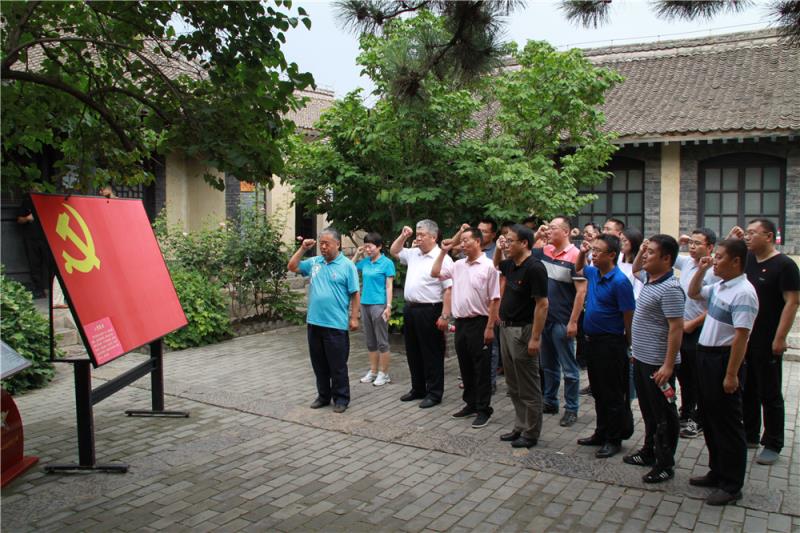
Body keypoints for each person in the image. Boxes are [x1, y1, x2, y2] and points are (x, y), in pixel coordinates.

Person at [687, 238, 758, 506]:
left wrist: (731, 374)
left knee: (728, 424)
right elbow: (694, 293)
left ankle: (731, 485)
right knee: (710, 417)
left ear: (736, 261)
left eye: (719, 257)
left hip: (723, 359)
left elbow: (741, 337)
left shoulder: (744, 293)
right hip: (705, 357)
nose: (714, 260)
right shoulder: (720, 286)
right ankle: (716, 471)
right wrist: (702, 270)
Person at [735, 219, 799, 465]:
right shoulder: (748, 260)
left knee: (769, 391)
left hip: (768, 338)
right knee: (748, 386)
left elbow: (792, 302)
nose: (747, 237)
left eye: (753, 233)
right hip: (746, 336)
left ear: (769, 236)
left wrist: (780, 337)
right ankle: (750, 434)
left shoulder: (784, 265)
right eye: (746, 233)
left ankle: (773, 442)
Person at [624, 235, 684, 483]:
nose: (645, 256)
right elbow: (636, 268)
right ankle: (649, 452)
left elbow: (676, 328)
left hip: (659, 365)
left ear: (667, 259)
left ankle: (665, 463)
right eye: (646, 252)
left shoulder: (671, 289)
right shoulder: (650, 279)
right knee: (648, 411)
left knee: (664, 415)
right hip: (642, 359)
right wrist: (643, 249)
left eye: (651, 253)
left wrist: (668, 365)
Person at [432, 226, 500, 428]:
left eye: (466, 240)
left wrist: (490, 327)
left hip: (480, 322)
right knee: (466, 365)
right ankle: (470, 404)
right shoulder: (458, 265)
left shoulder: (489, 266)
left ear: (478, 241)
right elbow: (435, 272)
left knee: (482, 368)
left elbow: (495, 299)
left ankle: (484, 409)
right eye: (461, 241)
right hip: (461, 323)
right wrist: (443, 252)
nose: (462, 244)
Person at [574, 234, 635, 458]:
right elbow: (578, 268)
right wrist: (582, 252)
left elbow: (628, 315)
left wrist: (629, 345)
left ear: (612, 255)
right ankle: (601, 432)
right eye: (593, 250)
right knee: (598, 391)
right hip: (592, 342)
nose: (594, 254)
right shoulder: (594, 273)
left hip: (611, 344)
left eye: (598, 251)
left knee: (613, 393)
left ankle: (614, 438)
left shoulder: (620, 281)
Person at [288, 228, 360, 413]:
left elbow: (355, 293)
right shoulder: (315, 262)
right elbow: (292, 266)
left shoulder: (347, 265)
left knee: (337, 365)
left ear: (338, 244)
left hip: (335, 324)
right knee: (318, 364)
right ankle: (323, 396)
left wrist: (354, 317)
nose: (323, 247)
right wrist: (303, 249)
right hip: (314, 322)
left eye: (327, 243)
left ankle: (341, 398)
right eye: (321, 244)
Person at [493, 225, 549, 447]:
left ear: (524, 243)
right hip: (506, 329)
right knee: (513, 384)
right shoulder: (511, 264)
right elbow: (497, 264)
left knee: (528, 385)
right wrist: (499, 248)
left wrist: (535, 337)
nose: (506, 244)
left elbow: (542, 305)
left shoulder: (535, 268)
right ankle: (520, 425)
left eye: (510, 241)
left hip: (523, 330)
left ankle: (531, 432)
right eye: (505, 241)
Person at [390, 220, 453, 408]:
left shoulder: (442, 258)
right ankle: (418, 388)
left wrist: (445, 316)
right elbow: (394, 251)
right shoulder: (414, 253)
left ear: (433, 237)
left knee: (432, 352)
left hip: (430, 309)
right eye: (417, 234)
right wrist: (403, 236)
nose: (418, 238)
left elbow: (448, 290)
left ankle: (434, 393)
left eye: (422, 235)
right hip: (411, 309)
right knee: (413, 351)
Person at [532, 217, 586, 428]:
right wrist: (537, 235)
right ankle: (550, 401)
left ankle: (571, 408)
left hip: (563, 320)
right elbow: (524, 252)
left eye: (553, 228)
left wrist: (573, 322)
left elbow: (581, 292)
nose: (549, 231)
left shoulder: (576, 256)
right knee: (548, 365)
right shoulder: (545, 251)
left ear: (566, 232)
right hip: (545, 318)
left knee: (569, 368)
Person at [666, 228, 719, 439]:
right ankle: (686, 412)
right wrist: (679, 242)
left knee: (699, 377)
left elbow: (715, 305)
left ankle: (700, 419)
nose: (693, 247)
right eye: (692, 243)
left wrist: (694, 323)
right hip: (682, 328)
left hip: (699, 330)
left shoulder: (715, 272)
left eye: (698, 243)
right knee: (684, 375)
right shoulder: (687, 262)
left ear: (710, 247)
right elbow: (668, 255)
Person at [353, 232, 396, 387]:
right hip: (365, 304)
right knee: (370, 341)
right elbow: (349, 268)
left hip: (379, 305)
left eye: (370, 246)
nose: (367, 249)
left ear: (379, 247)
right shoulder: (365, 262)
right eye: (366, 246)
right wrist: (357, 255)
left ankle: (384, 374)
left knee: (382, 341)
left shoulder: (387, 263)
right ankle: (373, 371)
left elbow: (389, 286)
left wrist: (388, 306)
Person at [16, 193, 50, 298]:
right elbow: (19, 219)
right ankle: (39, 289)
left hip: (47, 238)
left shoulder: (47, 201)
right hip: (31, 238)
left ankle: (52, 290)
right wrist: (28, 218)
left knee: (50, 264)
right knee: (34, 264)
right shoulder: (27, 202)